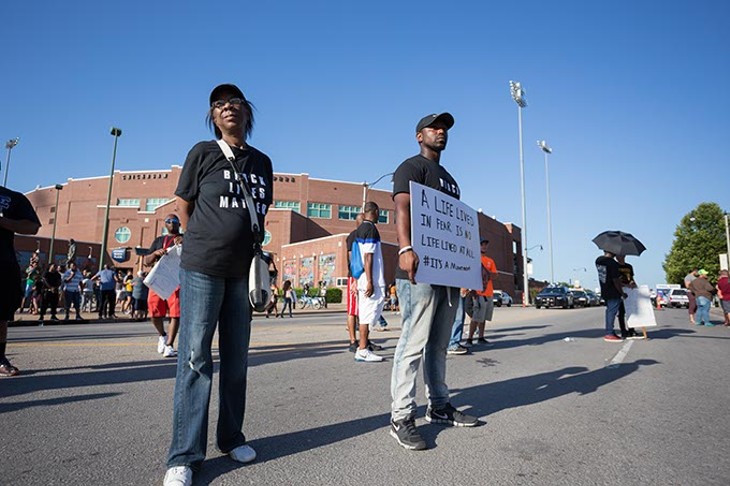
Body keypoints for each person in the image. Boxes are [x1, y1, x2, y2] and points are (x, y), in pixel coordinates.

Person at [164, 83, 273, 486]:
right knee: (195, 358)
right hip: (203, 268)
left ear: (247, 112)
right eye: (219, 105)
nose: (227, 108)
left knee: (236, 359)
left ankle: (231, 437)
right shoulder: (203, 152)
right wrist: (196, 242)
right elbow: (184, 204)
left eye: (235, 102)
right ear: (213, 117)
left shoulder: (262, 162)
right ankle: (184, 456)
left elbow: (260, 212)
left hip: (242, 273)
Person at [389, 112, 479, 451]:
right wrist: (405, 248)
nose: (440, 132)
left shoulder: (452, 181)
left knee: (439, 344)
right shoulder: (411, 168)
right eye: (434, 127)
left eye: (444, 129)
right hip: (418, 270)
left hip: (448, 275)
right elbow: (403, 210)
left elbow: (456, 229)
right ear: (418, 136)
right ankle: (401, 416)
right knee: (413, 343)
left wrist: (468, 269)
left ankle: (439, 406)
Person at [0, 185, 41, 376]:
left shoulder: (12, 197)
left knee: (1, 316)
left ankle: (0, 359)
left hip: (3, 263)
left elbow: (32, 227)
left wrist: (3, 222)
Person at [144, 214, 183, 358]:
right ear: (165, 225)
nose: (171, 223)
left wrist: (185, 241)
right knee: (154, 311)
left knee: (175, 313)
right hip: (159, 278)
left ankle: (170, 345)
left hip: (176, 279)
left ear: (179, 224)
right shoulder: (159, 240)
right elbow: (147, 261)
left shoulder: (183, 238)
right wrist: (155, 253)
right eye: (168, 221)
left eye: (174, 221)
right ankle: (162, 335)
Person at [353, 201, 386, 363]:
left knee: (366, 315)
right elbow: (368, 256)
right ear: (376, 211)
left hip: (362, 278)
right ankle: (363, 349)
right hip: (369, 279)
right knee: (368, 315)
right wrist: (370, 281)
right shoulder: (370, 229)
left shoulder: (359, 229)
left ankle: (363, 348)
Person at [465, 239, 497, 346]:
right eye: (482, 245)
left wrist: (487, 272)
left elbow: (495, 274)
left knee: (483, 318)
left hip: (488, 293)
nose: (484, 247)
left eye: (485, 245)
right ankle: (469, 338)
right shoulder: (473, 259)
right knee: (476, 317)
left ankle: (481, 337)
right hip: (478, 293)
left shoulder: (490, 261)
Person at [595, 250, 627, 342]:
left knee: (609, 311)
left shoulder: (598, 260)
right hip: (613, 291)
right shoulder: (613, 263)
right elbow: (615, 280)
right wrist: (622, 293)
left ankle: (610, 332)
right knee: (611, 312)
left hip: (604, 289)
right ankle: (609, 333)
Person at [616, 255, 640, 339]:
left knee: (631, 311)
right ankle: (623, 330)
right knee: (621, 312)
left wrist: (634, 285)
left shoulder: (629, 266)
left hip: (630, 290)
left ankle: (631, 329)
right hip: (621, 291)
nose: (619, 257)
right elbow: (615, 281)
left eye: (621, 255)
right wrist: (625, 285)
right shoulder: (615, 266)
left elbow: (632, 278)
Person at [446, 288, 470, 355]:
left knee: (460, 316)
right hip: (456, 288)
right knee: (458, 317)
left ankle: (454, 342)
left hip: (457, 287)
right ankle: (452, 344)